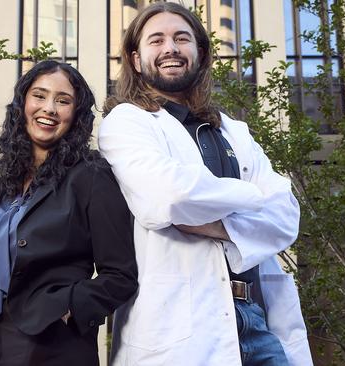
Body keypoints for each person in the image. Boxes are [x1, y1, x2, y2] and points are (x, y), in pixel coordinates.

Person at [99, 2, 312, 366]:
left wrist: (214, 221)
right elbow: (172, 197)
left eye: (182, 38)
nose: (170, 48)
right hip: (179, 332)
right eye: (157, 40)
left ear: (200, 53)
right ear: (136, 60)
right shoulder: (127, 122)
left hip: (258, 323)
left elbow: (285, 217)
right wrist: (252, 198)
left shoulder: (234, 131)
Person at [0, 60, 139, 366]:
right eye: (39, 96)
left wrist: (66, 307)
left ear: (76, 114)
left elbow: (121, 275)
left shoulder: (91, 176)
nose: (49, 108)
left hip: (51, 343)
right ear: (23, 104)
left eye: (63, 100)